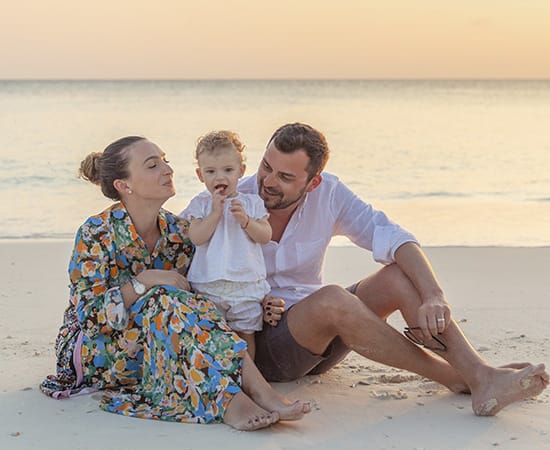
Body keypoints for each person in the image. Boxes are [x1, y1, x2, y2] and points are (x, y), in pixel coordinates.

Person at [239, 122, 549, 416]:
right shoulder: (229, 201)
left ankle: (478, 371)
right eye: (266, 166)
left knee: (397, 276)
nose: (267, 182)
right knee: (332, 298)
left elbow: (391, 235)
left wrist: (433, 295)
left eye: (285, 177)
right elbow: (190, 267)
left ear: (313, 182)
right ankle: (462, 377)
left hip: (318, 342)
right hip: (264, 350)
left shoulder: (329, 193)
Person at [40, 135, 310, 431]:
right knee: (164, 297)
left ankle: (259, 390)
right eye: (153, 165)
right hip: (97, 349)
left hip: (158, 343)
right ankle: (229, 402)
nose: (168, 169)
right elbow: (89, 318)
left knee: (188, 300)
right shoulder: (96, 232)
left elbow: (200, 303)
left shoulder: (178, 232)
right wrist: (145, 281)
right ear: (124, 185)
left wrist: (261, 300)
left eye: (165, 160)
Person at [181, 130, 271, 359]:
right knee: (210, 333)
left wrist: (247, 222)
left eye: (228, 170)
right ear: (200, 175)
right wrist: (214, 213)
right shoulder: (201, 204)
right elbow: (197, 237)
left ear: (241, 171)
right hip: (208, 282)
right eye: (211, 171)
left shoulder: (251, 203)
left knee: (245, 332)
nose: (219, 177)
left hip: (245, 283)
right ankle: (218, 373)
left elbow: (265, 236)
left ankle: (248, 378)